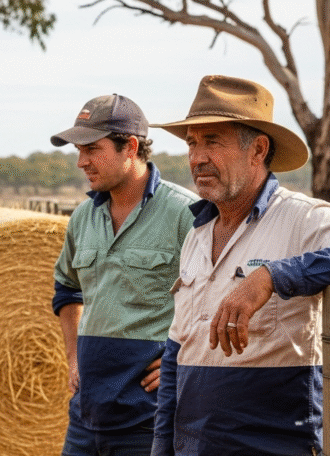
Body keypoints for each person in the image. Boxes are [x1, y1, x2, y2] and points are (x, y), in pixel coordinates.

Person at [149, 75, 330, 456]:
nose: (197, 157)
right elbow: (177, 353)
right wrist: (160, 448)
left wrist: (271, 276)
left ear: (257, 149)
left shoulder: (300, 219)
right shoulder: (198, 233)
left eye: (212, 141)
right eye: (192, 142)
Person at [50, 93, 199, 456]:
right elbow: (67, 290)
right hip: (86, 415)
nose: (82, 162)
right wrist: (73, 359)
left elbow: (219, 297)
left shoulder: (187, 214)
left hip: (152, 418)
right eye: (78, 151)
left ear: (130, 147)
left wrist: (184, 363)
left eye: (92, 149)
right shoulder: (83, 217)